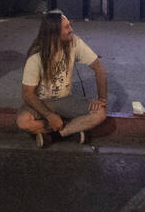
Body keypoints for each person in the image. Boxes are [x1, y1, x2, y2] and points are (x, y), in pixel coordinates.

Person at [16, 9, 108, 147]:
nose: (71, 30)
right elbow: (28, 94)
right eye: (66, 27)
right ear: (54, 33)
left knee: (100, 113)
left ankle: (57, 135)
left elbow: (99, 69)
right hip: (41, 102)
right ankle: (71, 128)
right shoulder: (36, 57)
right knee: (23, 122)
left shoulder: (74, 42)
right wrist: (49, 115)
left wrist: (102, 99)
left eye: (69, 25)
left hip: (65, 99)